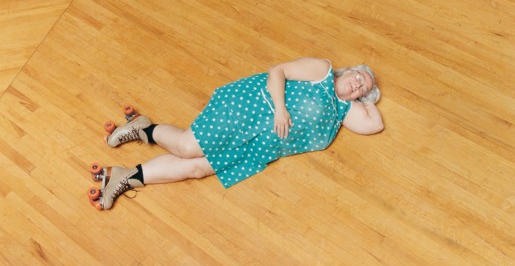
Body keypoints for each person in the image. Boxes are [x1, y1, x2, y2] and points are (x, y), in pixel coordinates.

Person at [87, 57, 384, 210]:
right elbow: (277, 71)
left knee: (196, 169)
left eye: (362, 89)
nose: (357, 84)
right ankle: (145, 128)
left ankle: (125, 176)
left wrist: (367, 95)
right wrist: (281, 110)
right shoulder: (323, 71)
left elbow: (375, 125)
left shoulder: (341, 112)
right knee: (188, 147)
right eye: (358, 76)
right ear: (348, 70)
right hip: (248, 110)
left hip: (259, 147)